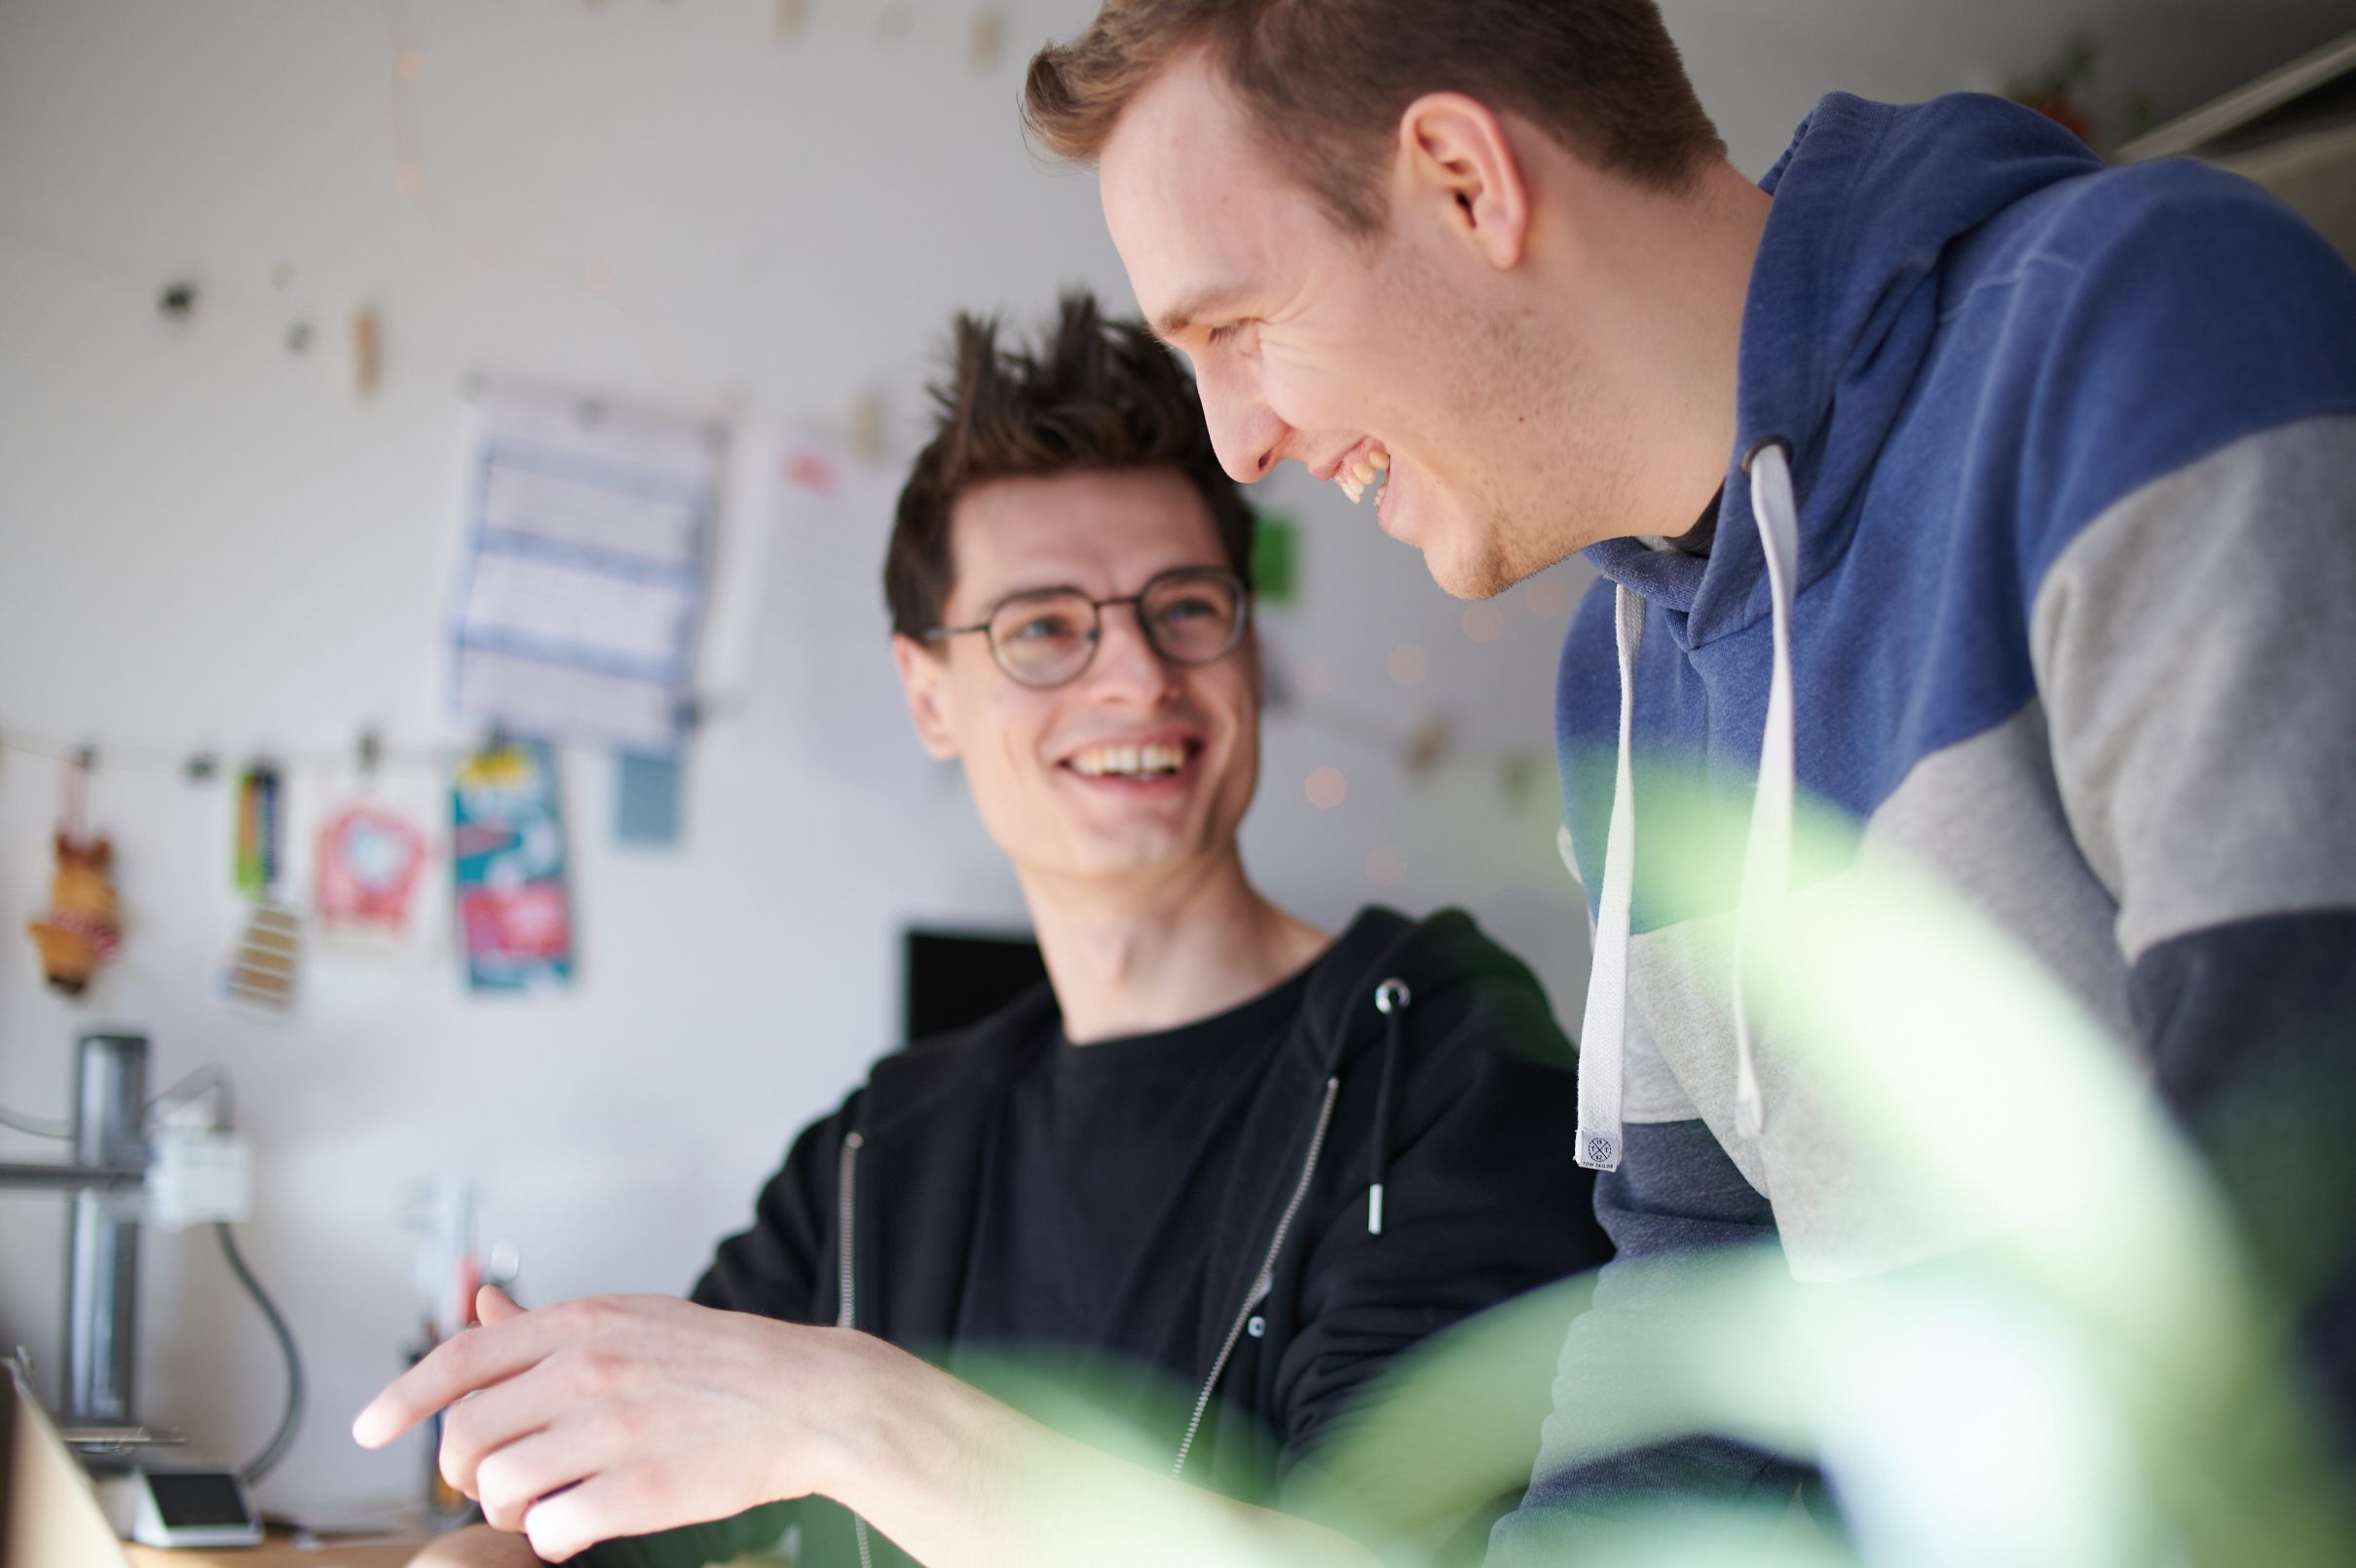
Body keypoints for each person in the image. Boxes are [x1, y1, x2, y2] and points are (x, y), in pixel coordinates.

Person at [1021, 0, 2356, 1541]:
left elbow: (2307, 1209)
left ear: (1466, 179)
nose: (1238, 443)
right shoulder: (1627, 673)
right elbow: (1700, 1307)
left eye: (1233, 326)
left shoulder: (2149, 327)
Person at [355, 292, 1609, 1568]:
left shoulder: (1441, 1053)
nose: (1135, 675)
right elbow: (603, 1528)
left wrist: (850, 1412)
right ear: (927, 693)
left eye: (1185, 606)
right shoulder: (888, 1147)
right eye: (1045, 627)